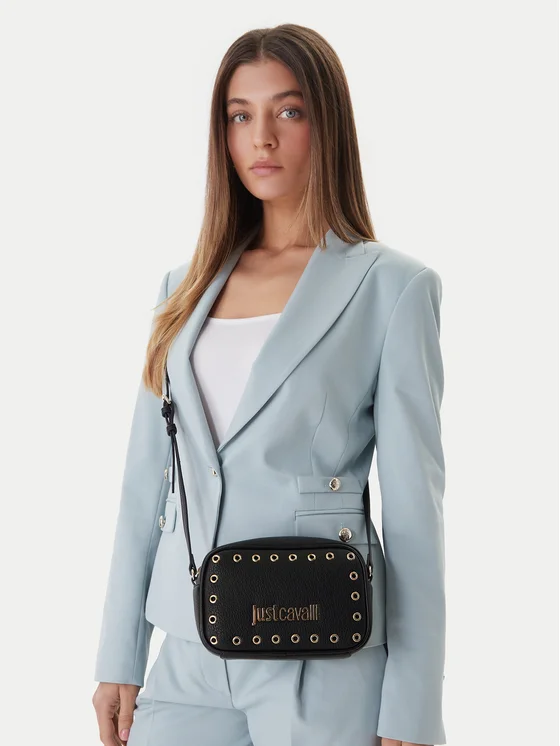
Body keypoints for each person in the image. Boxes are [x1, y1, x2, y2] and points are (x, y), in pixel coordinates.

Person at [92, 23, 447, 746]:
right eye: (239, 115)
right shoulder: (183, 291)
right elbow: (145, 485)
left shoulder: (392, 288)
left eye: (288, 111)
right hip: (189, 649)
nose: (262, 138)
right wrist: (118, 654)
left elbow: (415, 512)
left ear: (327, 124)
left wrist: (412, 706)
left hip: (323, 645)